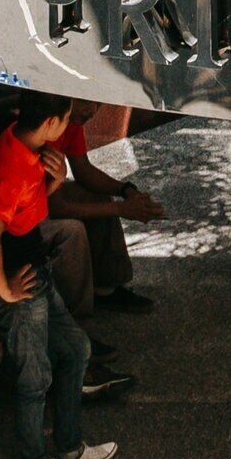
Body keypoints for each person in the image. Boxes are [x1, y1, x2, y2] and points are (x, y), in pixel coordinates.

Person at [0, 93, 121, 459]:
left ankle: (70, 449)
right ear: (50, 123)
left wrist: (55, 181)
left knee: (76, 348)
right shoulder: (12, 168)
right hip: (23, 285)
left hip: (37, 273)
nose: (68, 127)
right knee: (35, 377)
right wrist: (6, 292)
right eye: (66, 119)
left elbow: (31, 205)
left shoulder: (25, 142)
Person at [39, 99, 165, 318]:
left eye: (98, 105)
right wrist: (120, 209)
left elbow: (83, 170)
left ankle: (106, 289)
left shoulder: (70, 121)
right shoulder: (45, 126)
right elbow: (57, 207)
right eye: (86, 102)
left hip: (45, 197)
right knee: (73, 229)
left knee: (97, 196)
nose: (92, 112)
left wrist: (126, 190)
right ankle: (74, 316)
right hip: (23, 213)